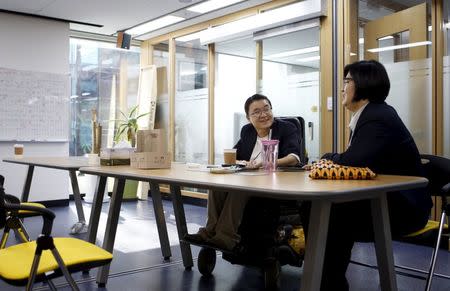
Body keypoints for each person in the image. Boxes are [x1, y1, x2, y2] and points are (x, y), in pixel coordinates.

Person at [301, 60, 432, 291]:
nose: (342, 88)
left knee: (324, 209)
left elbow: (353, 161)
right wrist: (333, 158)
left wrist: (326, 157)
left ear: (364, 83)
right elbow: (355, 161)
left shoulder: (377, 116)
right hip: (384, 200)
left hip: (402, 208)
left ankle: (327, 282)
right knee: (317, 206)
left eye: (347, 81)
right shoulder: (371, 115)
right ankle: (326, 280)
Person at [185, 93, 302, 251]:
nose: (263, 114)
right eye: (256, 112)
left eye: (266, 109)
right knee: (216, 185)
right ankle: (209, 231)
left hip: (276, 183)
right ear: (248, 117)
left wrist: (265, 163)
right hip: (250, 179)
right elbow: (235, 157)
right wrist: (238, 163)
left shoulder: (286, 128)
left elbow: (294, 158)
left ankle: (226, 238)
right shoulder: (247, 131)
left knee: (239, 188)